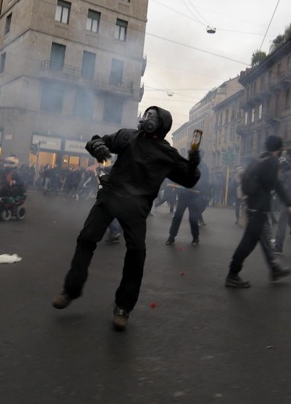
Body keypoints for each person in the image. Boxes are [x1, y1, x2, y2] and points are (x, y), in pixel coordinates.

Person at [52, 106, 199, 332]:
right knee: (86, 239)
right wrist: (98, 146)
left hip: (136, 207)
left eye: (151, 116)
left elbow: (189, 179)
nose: (146, 118)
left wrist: (194, 162)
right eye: (146, 114)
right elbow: (97, 141)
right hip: (110, 197)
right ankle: (70, 290)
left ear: (160, 125)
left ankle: (123, 307)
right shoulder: (128, 136)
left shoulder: (167, 154)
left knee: (136, 252)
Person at [225, 135, 291, 288]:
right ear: (279, 148)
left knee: (264, 239)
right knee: (248, 244)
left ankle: (275, 269)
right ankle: (232, 274)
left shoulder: (259, 159)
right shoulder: (272, 161)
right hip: (259, 209)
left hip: (253, 206)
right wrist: (289, 203)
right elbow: (275, 184)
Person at [167, 160, 210, 245]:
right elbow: (179, 177)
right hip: (183, 195)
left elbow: (204, 181)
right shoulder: (186, 164)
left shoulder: (203, 167)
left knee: (193, 218)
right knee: (177, 216)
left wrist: (202, 191)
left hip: (194, 196)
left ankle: (195, 238)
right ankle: (171, 237)